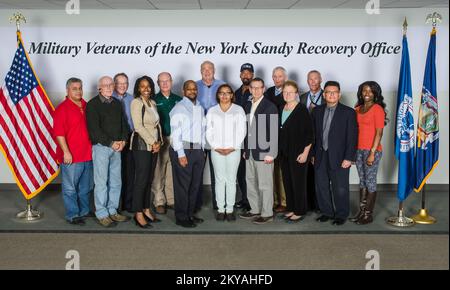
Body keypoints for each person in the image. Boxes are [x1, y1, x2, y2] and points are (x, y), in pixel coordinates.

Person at [86, 76, 130, 227]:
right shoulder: (92, 105)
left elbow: (124, 124)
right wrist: (111, 143)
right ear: (99, 88)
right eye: (106, 85)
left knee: (116, 182)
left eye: (111, 84)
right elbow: (94, 131)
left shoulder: (116, 103)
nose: (109, 87)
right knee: (101, 182)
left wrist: (123, 140)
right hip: (102, 148)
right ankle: (102, 213)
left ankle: (113, 210)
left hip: (117, 148)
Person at [311, 81, 357, 226]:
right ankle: (327, 212)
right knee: (321, 186)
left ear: (339, 94)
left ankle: (341, 214)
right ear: (324, 94)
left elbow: (352, 137)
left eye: (334, 92)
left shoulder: (348, 112)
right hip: (320, 155)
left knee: (340, 187)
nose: (331, 94)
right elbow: (313, 135)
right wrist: (313, 154)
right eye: (328, 92)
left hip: (340, 156)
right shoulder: (317, 111)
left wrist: (349, 158)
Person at [53, 78, 93, 225]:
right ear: (67, 90)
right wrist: (66, 152)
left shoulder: (87, 106)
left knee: (86, 187)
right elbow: (59, 133)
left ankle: (84, 211)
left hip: (88, 154)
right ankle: (73, 214)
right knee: (70, 188)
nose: (78, 91)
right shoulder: (62, 109)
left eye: (80, 88)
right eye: (74, 88)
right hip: (71, 156)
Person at [240, 78, 279, 225]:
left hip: (264, 153)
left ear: (263, 89)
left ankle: (267, 213)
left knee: (265, 184)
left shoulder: (270, 106)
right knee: (251, 182)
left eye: (259, 88)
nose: (255, 90)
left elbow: (274, 132)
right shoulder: (247, 105)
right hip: (250, 151)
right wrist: (245, 149)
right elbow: (247, 130)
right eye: (253, 88)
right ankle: (255, 209)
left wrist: (272, 153)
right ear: (249, 89)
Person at [206, 84, 247, 221]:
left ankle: (229, 210)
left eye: (227, 93)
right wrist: (215, 146)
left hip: (233, 150)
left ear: (231, 95)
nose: (224, 95)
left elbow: (242, 130)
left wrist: (233, 147)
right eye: (221, 93)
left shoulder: (238, 110)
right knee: (219, 180)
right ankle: (220, 209)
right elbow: (208, 131)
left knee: (230, 180)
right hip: (216, 150)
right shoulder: (212, 111)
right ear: (218, 95)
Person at [169, 80, 206, 228]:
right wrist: (180, 154)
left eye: (194, 89)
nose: (192, 91)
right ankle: (182, 217)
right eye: (189, 89)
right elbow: (175, 134)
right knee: (182, 186)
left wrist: (202, 149)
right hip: (183, 150)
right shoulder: (179, 108)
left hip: (197, 150)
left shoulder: (199, 107)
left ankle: (190, 214)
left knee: (194, 185)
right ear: (184, 91)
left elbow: (202, 130)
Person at [349, 81, 387, 225]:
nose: (367, 94)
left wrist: (372, 153)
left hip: (372, 151)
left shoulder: (377, 109)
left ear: (375, 93)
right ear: (361, 92)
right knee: (362, 181)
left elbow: (379, 132)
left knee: (370, 182)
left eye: (370, 91)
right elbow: (354, 132)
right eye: (364, 90)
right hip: (359, 150)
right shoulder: (357, 109)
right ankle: (362, 211)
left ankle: (368, 215)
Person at [130, 76, 163, 228]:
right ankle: (137, 213)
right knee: (141, 180)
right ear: (138, 88)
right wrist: (153, 142)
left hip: (154, 146)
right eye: (142, 86)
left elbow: (157, 125)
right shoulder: (136, 103)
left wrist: (159, 142)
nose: (146, 89)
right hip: (142, 146)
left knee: (149, 179)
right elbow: (138, 126)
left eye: (148, 86)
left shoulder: (153, 103)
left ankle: (146, 209)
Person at [278, 80, 314, 223]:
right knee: (287, 181)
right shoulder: (281, 108)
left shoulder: (301, 110)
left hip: (298, 153)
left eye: (290, 92)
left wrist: (305, 153)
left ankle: (300, 210)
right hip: (284, 153)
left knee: (298, 183)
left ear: (296, 94)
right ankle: (291, 208)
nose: (287, 94)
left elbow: (309, 134)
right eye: (285, 92)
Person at [196, 61, 225, 211]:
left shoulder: (222, 86)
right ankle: (196, 202)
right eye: (204, 69)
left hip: (217, 135)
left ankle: (218, 202)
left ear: (214, 70)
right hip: (199, 135)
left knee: (217, 170)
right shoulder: (194, 86)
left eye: (209, 69)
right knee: (197, 170)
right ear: (200, 71)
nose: (207, 72)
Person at [151, 72, 182, 214]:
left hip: (176, 139)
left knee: (171, 170)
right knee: (159, 170)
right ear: (158, 83)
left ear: (171, 81)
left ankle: (171, 199)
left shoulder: (179, 99)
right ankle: (159, 201)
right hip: (161, 139)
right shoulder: (153, 100)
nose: (165, 83)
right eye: (161, 81)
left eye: (167, 80)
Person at [299, 70, 324, 212]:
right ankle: (308, 204)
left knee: (319, 175)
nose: (313, 82)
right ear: (307, 81)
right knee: (307, 173)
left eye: (316, 79)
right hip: (305, 141)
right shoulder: (302, 98)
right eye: (310, 79)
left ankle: (320, 205)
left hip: (321, 141)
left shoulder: (327, 97)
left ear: (320, 80)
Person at [264, 66, 288, 213]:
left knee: (281, 172)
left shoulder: (290, 92)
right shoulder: (268, 92)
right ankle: (274, 201)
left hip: (283, 136)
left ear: (285, 77)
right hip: (270, 136)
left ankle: (285, 202)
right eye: (275, 76)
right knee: (271, 171)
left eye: (280, 76)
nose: (277, 79)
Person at [112, 72, 134, 212]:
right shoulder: (109, 98)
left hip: (129, 138)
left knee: (128, 172)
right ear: (114, 84)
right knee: (114, 174)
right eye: (119, 83)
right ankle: (115, 205)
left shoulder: (132, 99)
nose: (122, 86)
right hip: (114, 140)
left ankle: (128, 203)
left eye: (125, 83)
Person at [234, 63, 254, 211]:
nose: (246, 75)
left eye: (249, 73)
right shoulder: (235, 92)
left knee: (250, 172)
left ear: (252, 75)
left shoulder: (256, 92)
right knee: (240, 171)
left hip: (251, 137)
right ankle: (244, 198)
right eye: (243, 73)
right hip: (237, 138)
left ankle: (251, 201)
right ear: (240, 75)